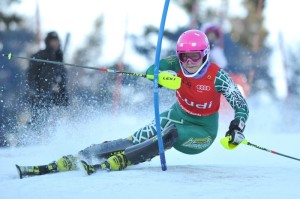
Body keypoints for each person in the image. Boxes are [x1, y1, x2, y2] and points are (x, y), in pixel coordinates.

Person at [16, 29, 249, 178]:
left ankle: (124, 159)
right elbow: (153, 69)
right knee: (135, 138)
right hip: (176, 114)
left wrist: (237, 127)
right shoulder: (177, 64)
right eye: (183, 57)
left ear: (205, 54)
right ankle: (84, 155)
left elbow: (240, 103)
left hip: (201, 132)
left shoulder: (217, 76)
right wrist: (158, 76)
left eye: (194, 57)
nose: (188, 62)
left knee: (170, 133)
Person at [26, 31, 69, 128]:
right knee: (38, 120)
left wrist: (64, 95)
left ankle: (53, 140)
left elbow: (62, 78)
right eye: (52, 41)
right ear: (48, 42)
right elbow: (31, 75)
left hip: (55, 96)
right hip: (40, 94)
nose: (55, 43)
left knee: (55, 123)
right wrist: (34, 91)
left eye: (56, 41)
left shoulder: (59, 57)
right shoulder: (40, 55)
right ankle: (31, 139)